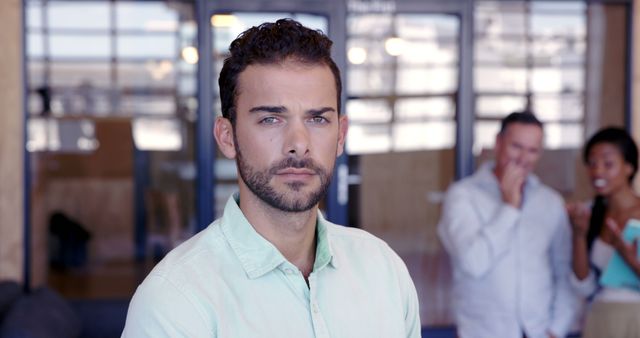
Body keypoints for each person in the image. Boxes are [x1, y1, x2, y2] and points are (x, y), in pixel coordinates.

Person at [121, 19, 420, 338]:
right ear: (226, 136)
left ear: (341, 134)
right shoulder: (176, 301)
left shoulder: (383, 271)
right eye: (271, 119)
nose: (299, 143)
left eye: (317, 118)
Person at [437, 112, 579, 338]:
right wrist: (509, 208)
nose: (524, 158)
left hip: (539, 332)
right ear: (498, 143)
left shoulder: (550, 202)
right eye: (516, 147)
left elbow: (562, 271)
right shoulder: (463, 196)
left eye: (532, 150)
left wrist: (557, 328)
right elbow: (474, 262)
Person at [567, 127, 640, 337]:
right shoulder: (591, 213)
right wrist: (579, 234)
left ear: (629, 167)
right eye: (592, 164)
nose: (598, 172)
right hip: (600, 316)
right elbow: (583, 285)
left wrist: (630, 260)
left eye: (608, 164)